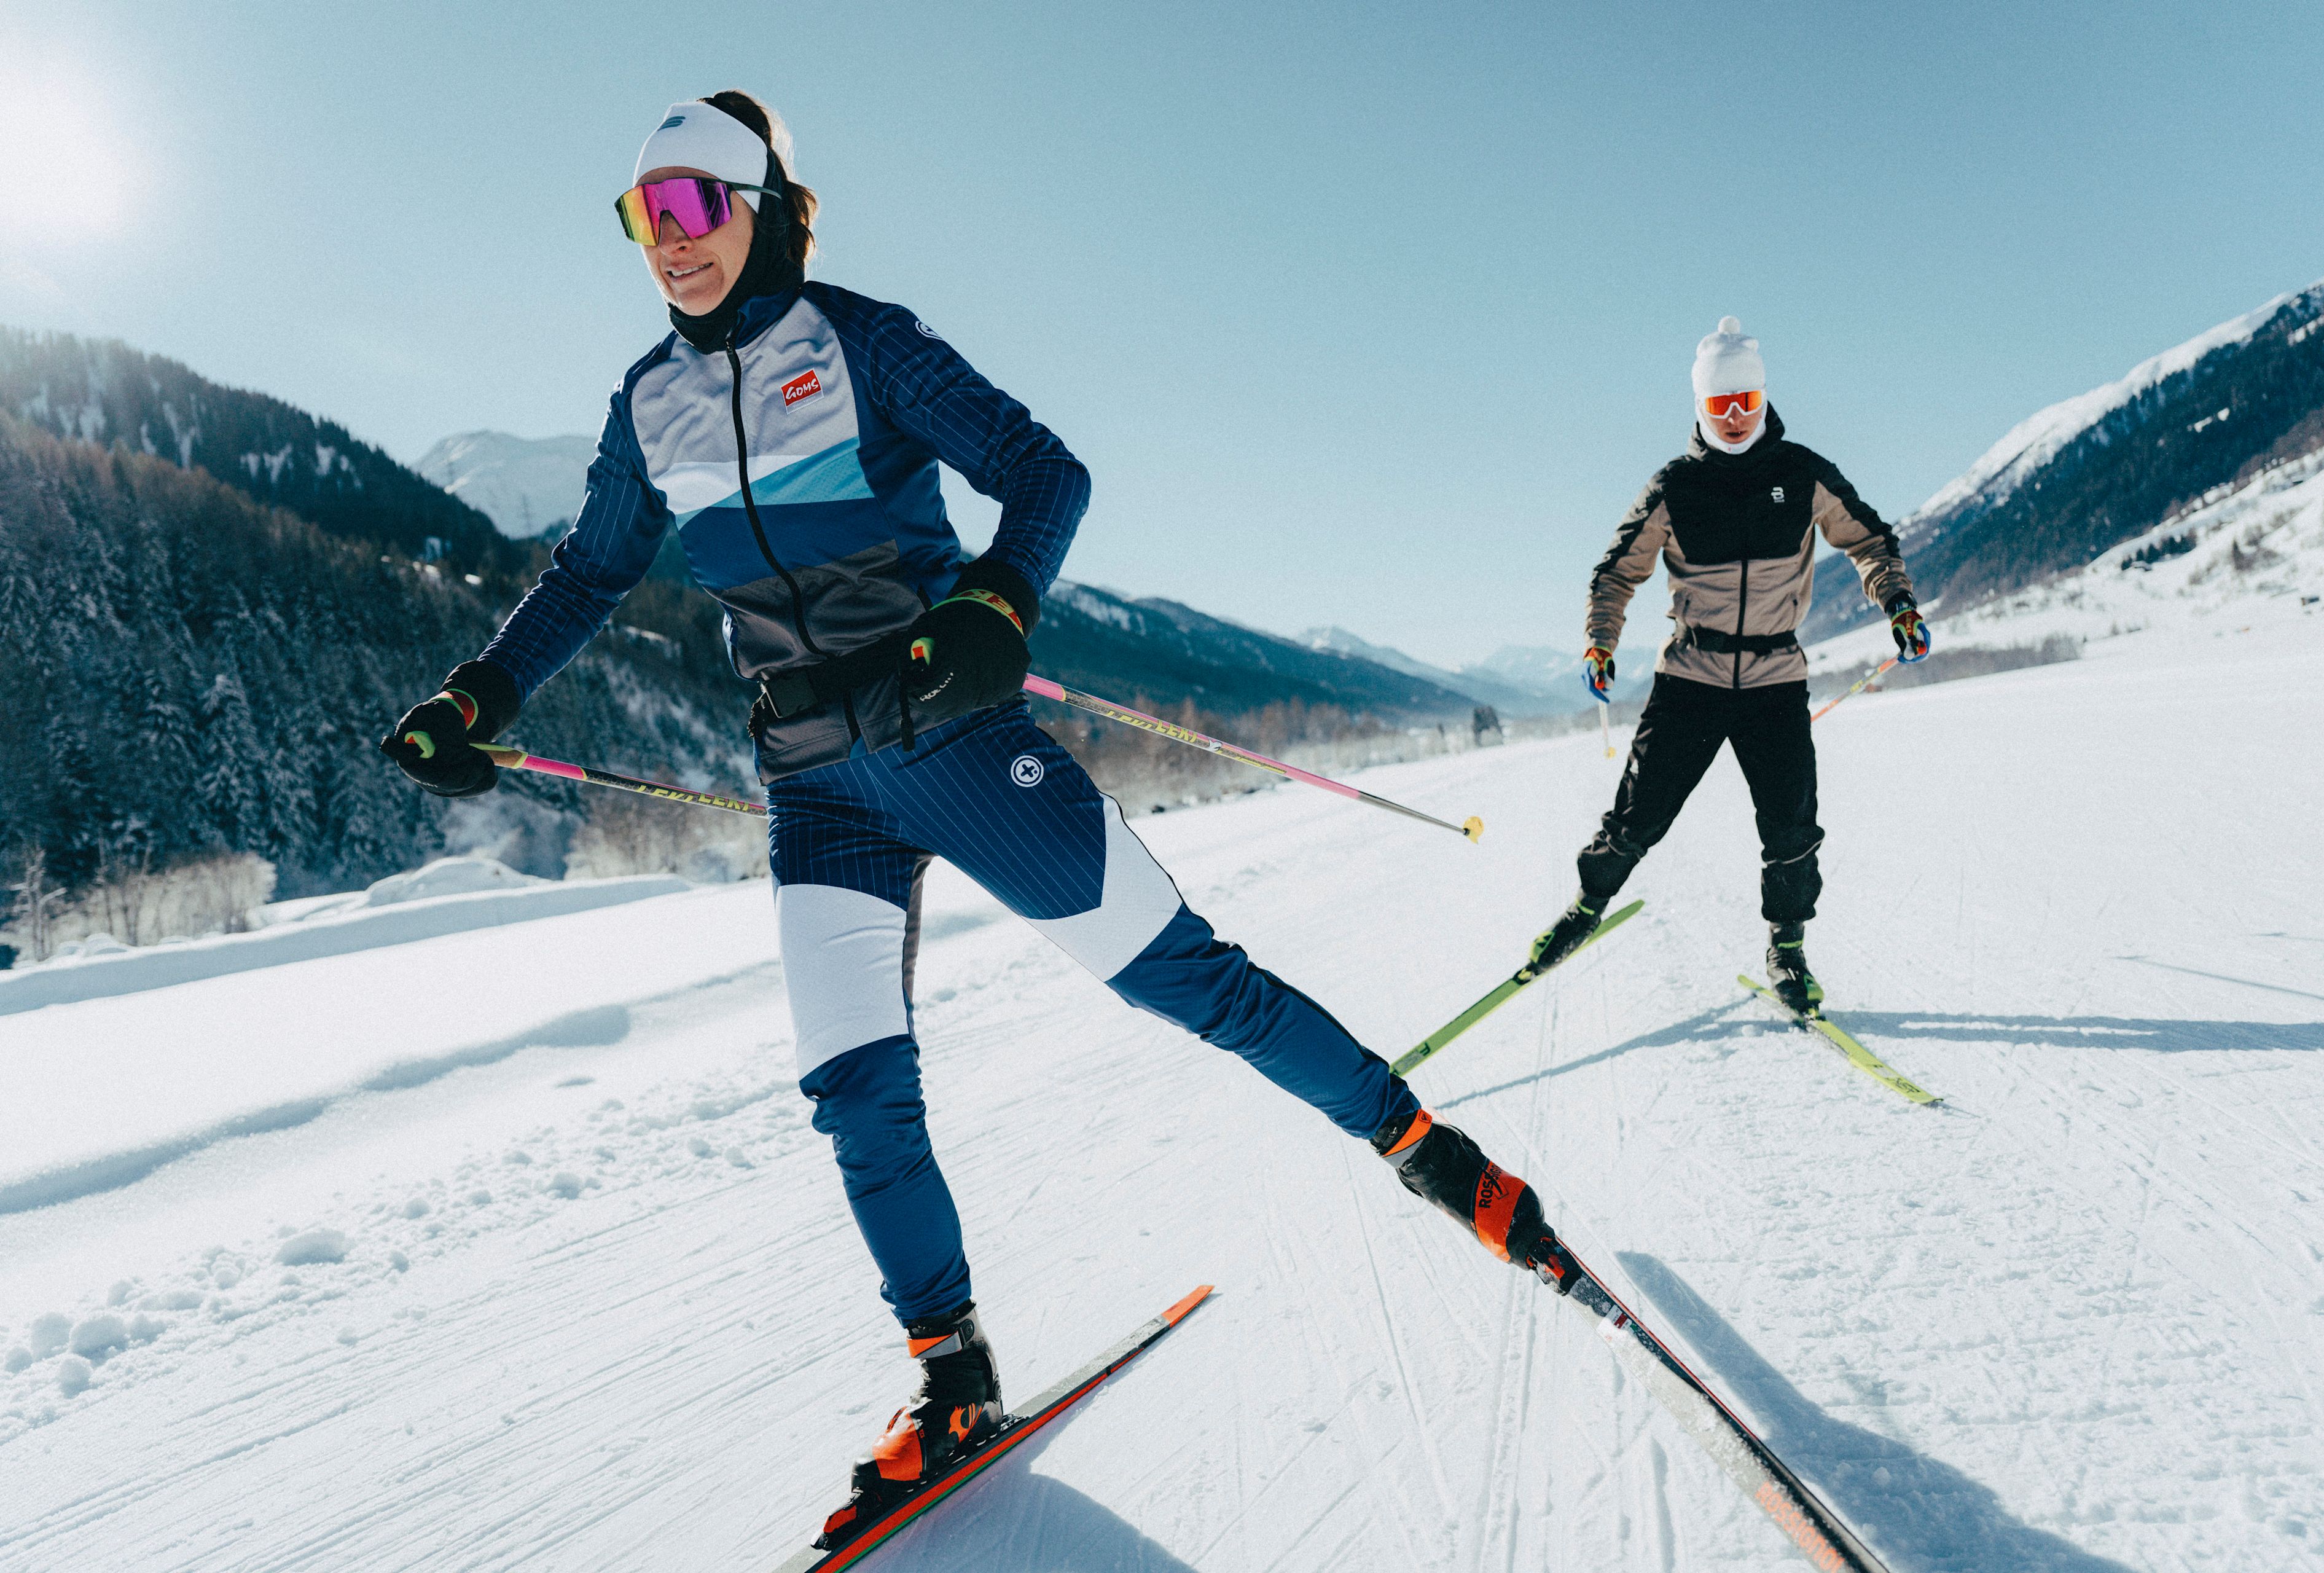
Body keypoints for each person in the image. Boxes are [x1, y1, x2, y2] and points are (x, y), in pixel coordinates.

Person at [378, 90, 1587, 1546]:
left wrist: (996, 601)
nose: (667, 243)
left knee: (1192, 984)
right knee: (854, 1086)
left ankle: (1431, 1153)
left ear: (759, 206)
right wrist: (476, 693)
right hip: (814, 787)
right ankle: (951, 1377)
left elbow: (1041, 472)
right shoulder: (650, 404)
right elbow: (586, 574)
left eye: (692, 207)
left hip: (952, 741)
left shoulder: (863, 342)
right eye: (641, 219)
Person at [1528, 317, 1928, 1011]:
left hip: (1775, 679)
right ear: (1701, 408)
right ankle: (1585, 909)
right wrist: (1601, 641)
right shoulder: (1676, 486)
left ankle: (1788, 949)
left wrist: (1898, 601)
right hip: (1691, 677)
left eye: (1746, 401)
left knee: (1792, 825)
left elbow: (1869, 540)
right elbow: (1616, 571)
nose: (1737, 418)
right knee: (1637, 813)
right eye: (1721, 406)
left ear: (1763, 396)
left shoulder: (1802, 474)